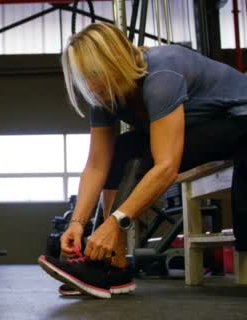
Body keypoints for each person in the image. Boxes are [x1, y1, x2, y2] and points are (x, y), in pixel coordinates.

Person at [38, 22, 247, 299]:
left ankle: (108, 253)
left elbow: (166, 166)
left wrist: (115, 223)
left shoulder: (162, 74)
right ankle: (112, 265)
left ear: (114, 63)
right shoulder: (104, 95)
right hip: (202, 126)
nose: (89, 85)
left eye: (94, 74)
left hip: (239, 120)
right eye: (83, 77)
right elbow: (97, 164)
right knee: (124, 151)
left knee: (146, 156)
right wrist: (77, 223)